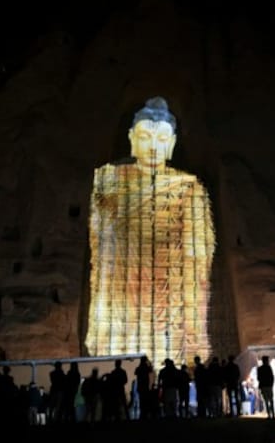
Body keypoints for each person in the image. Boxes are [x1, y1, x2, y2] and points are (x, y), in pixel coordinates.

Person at [85, 96, 216, 365]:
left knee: (167, 342)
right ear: (132, 138)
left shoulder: (189, 187)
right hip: (121, 288)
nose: (153, 146)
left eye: (162, 138)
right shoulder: (109, 179)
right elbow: (98, 242)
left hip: (169, 295)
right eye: (145, 136)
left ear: (172, 144)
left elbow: (198, 258)